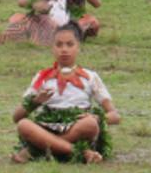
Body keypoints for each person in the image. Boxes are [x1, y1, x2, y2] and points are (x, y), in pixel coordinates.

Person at [11, 23, 121, 163]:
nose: (64, 50)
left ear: (78, 47)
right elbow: (17, 117)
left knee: (90, 125)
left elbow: (115, 116)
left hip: (77, 129)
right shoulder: (42, 77)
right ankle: (80, 152)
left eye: (70, 44)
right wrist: (36, 102)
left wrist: (97, 118)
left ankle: (38, 151)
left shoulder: (90, 77)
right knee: (24, 125)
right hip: (47, 127)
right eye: (59, 45)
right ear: (52, 48)